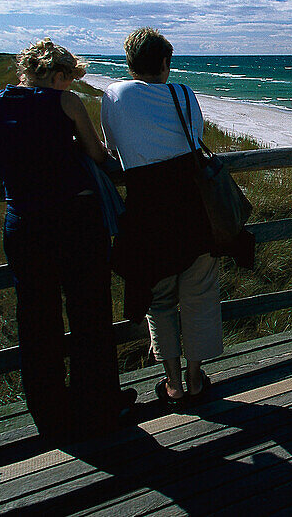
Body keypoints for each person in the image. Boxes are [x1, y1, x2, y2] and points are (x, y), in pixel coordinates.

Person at [0, 39, 132, 441]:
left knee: (36, 318)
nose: (71, 85)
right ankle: (98, 405)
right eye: (70, 78)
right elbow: (99, 156)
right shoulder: (66, 102)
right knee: (89, 313)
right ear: (59, 74)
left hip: (23, 222)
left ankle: (50, 414)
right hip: (75, 220)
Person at [101, 28, 221, 409]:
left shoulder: (113, 94)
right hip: (193, 211)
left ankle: (172, 384)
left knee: (161, 300)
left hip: (148, 214)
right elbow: (195, 137)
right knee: (199, 296)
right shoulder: (183, 92)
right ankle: (196, 378)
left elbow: (114, 150)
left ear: (129, 63)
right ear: (166, 62)